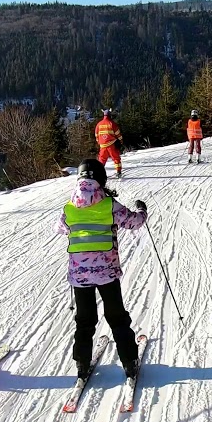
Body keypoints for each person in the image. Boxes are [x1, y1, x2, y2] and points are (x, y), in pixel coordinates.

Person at [57, 158, 148, 381]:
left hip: (80, 275)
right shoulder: (109, 204)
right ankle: (129, 361)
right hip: (107, 272)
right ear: (101, 179)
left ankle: (82, 362)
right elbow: (134, 222)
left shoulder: (69, 207)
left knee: (85, 319)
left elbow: (60, 227)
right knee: (116, 316)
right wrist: (142, 210)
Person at [94, 108, 124, 178]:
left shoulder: (99, 124)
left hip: (102, 146)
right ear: (110, 115)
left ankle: (99, 174)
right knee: (116, 158)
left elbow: (96, 135)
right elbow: (118, 134)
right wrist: (121, 141)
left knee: (101, 160)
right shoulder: (112, 123)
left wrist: (99, 142)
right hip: (111, 145)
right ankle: (118, 172)